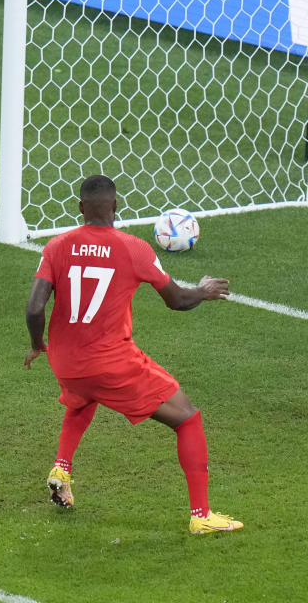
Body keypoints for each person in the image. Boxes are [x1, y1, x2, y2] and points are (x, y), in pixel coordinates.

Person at [24, 174, 243, 534]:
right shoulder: (133, 248)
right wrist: (202, 290)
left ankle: (61, 469)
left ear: (80, 208)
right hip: (110, 363)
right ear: (116, 206)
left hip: (66, 362)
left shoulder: (57, 245)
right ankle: (202, 517)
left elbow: (34, 308)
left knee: (82, 398)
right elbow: (177, 301)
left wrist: (37, 345)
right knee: (187, 418)